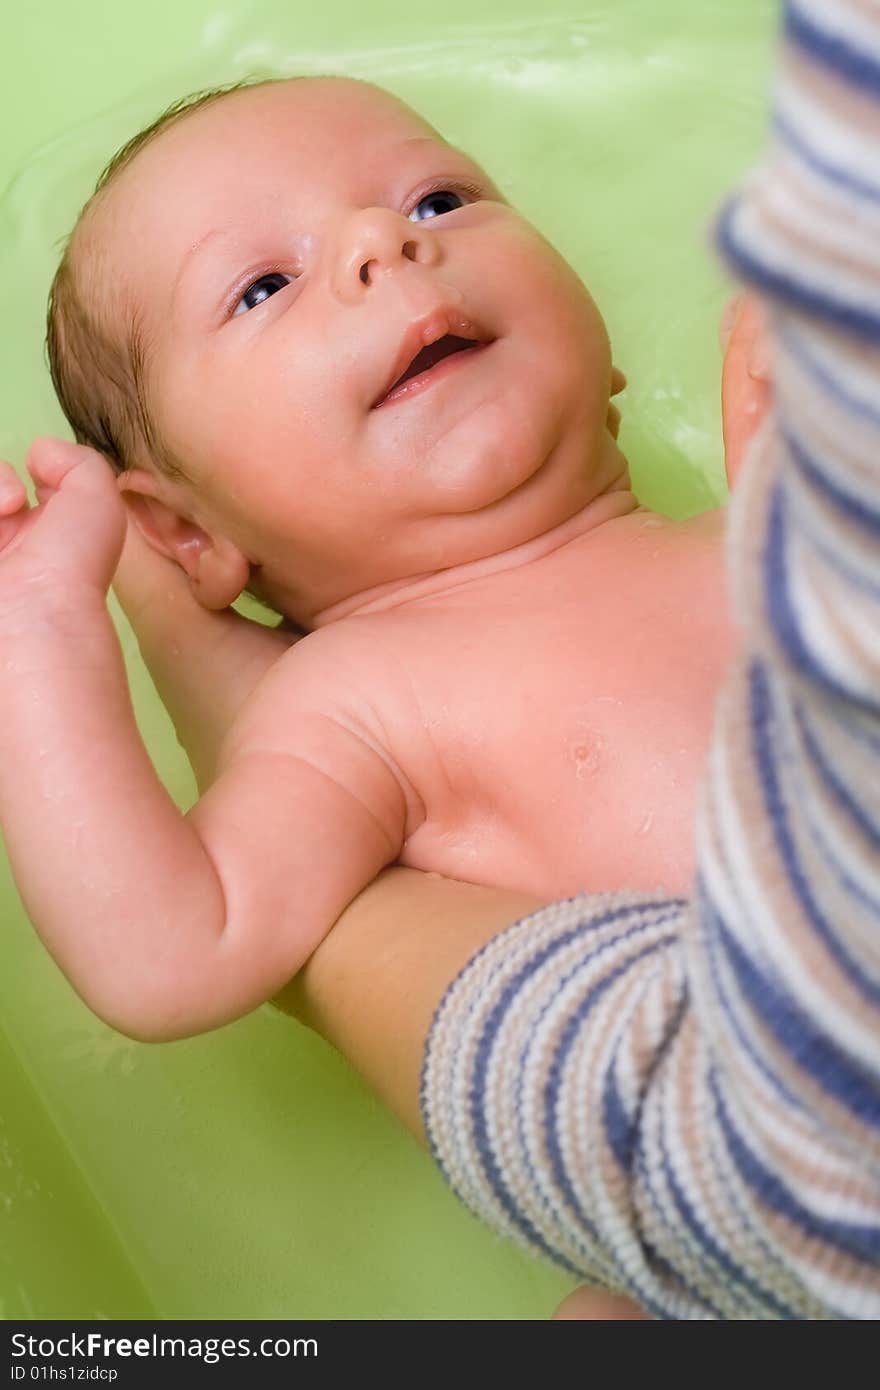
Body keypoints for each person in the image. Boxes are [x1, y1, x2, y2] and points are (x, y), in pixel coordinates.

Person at [2, 0, 877, 1317]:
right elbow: (172, 949)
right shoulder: (351, 708)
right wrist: (39, 634)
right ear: (185, 533)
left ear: (609, 361)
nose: (384, 243)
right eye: (261, 286)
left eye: (443, 196)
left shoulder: (744, 527)